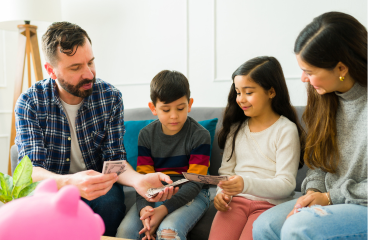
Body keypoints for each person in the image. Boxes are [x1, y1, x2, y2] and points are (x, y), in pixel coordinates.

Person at [14, 22, 177, 237]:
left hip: (99, 185)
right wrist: (70, 182)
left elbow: (114, 161)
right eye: (75, 68)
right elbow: (30, 172)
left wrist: (139, 180)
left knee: (110, 203)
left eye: (90, 62)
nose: (89, 74)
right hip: (54, 186)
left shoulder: (110, 97)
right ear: (51, 70)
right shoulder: (30, 102)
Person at [253, 12, 367, 240]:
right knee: (265, 225)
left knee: (299, 228)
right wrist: (314, 192)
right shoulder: (323, 98)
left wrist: (329, 197)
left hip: (361, 201)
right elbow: (318, 162)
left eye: (310, 71)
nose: (303, 79)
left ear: (341, 69)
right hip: (331, 197)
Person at [208, 56, 305, 240]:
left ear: (271, 92)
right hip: (234, 203)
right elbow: (226, 173)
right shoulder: (235, 129)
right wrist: (222, 193)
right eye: (238, 92)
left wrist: (245, 184)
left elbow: (286, 184)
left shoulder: (285, 129)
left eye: (248, 92)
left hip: (269, 205)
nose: (241, 99)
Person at [116, 70, 211, 240]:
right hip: (155, 193)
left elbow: (195, 183)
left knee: (169, 232)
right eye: (166, 110)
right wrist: (145, 208)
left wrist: (163, 210)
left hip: (194, 194)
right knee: (126, 233)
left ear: (189, 104)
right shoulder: (146, 135)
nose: (174, 116)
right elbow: (144, 180)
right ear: (153, 108)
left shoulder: (200, 135)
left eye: (180, 108)